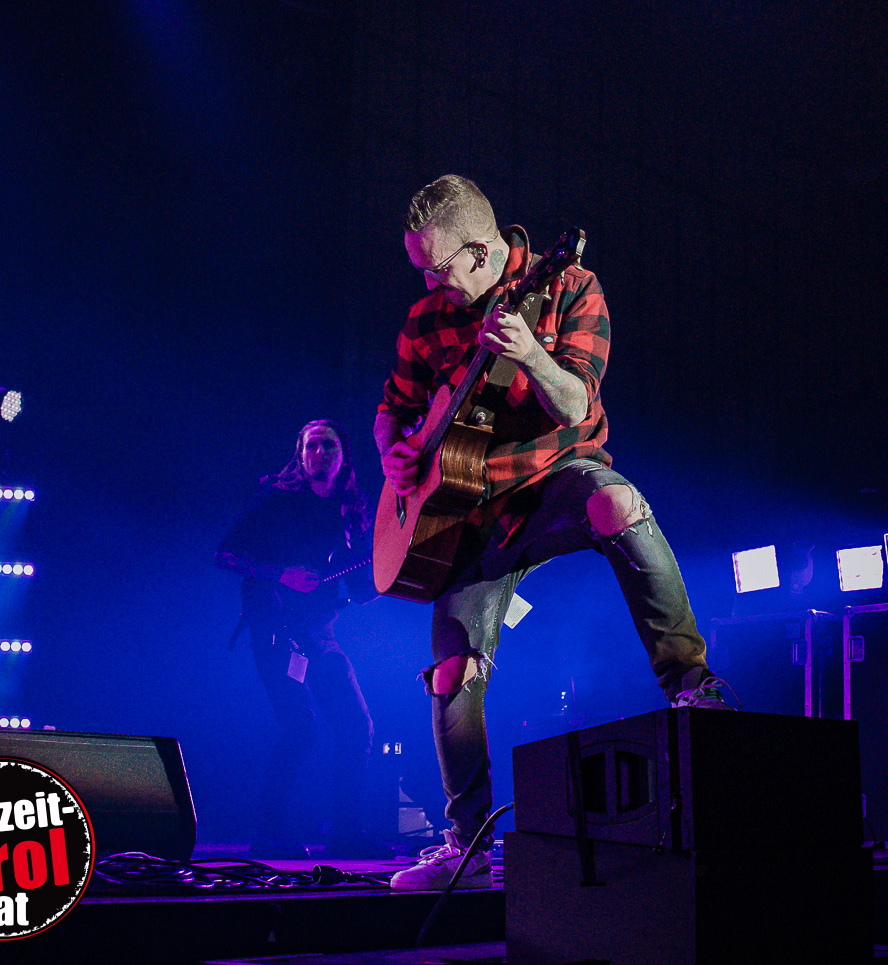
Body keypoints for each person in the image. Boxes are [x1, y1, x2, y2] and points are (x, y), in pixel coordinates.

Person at [374, 175, 729, 893]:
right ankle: (468, 846)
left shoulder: (569, 285)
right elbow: (392, 410)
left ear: (481, 252)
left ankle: (694, 686)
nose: (431, 283)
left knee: (618, 504)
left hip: (556, 475)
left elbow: (575, 403)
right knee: (451, 671)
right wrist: (394, 454)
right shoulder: (426, 318)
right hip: (472, 510)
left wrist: (533, 356)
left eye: (438, 268)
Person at [215, 419, 379, 858]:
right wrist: (280, 573)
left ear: (344, 456)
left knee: (356, 726)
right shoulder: (277, 501)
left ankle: (345, 833)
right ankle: (268, 834)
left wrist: (391, 574)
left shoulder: (351, 512)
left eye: (329, 446)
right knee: (301, 727)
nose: (320, 453)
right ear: (301, 454)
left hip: (320, 635)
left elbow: (361, 589)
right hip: (275, 630)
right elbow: (224, 554)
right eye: (312, 446)